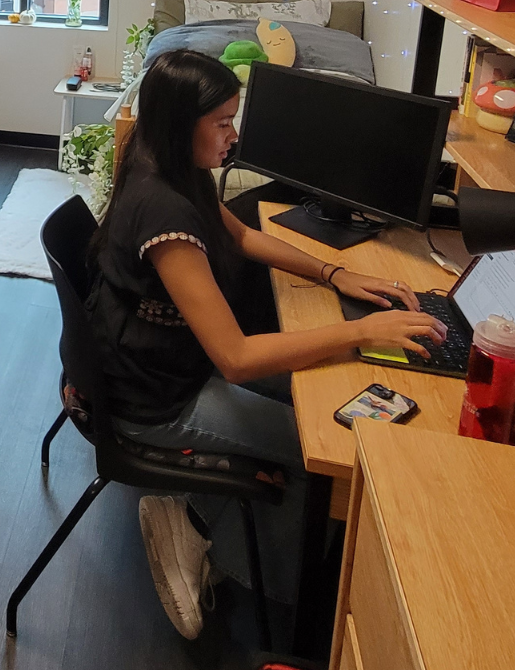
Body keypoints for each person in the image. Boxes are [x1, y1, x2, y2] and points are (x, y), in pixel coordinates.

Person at [84, 48, 446, 639]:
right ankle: (205, 540)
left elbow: (244, 236)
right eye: (223, 122)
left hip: (166, 362)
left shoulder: (164, 160)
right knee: (322, 452)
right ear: (183, 125)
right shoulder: (163, 210)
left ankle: (201, 521)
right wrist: (360, 330)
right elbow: (237, 358)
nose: (234, 134)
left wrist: (335, 275)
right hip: (158, 400)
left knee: (324, 390)